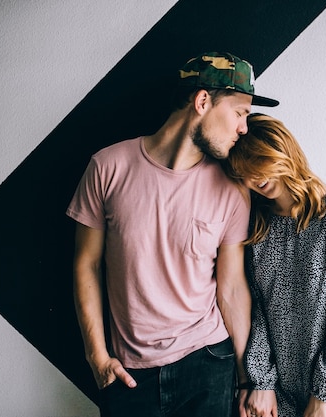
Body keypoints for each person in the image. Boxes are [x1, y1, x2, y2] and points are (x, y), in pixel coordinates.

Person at [66, 52, 278, 417]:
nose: (244, 128)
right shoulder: (107, 167)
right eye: (240, 112)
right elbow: (86, 264)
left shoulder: (233, 189)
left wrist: (249, 380)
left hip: (208, 362)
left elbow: (230, 287)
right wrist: (97, 357)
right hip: (128, 375)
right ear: (202, 101)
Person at [224, 114, 326, 417]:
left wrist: (323, 395)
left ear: (281, 151)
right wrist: (261, 380)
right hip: (284, 391)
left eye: (256, 162)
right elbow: (259, 306)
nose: (252, 179)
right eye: (241, 172)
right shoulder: (260, 226)